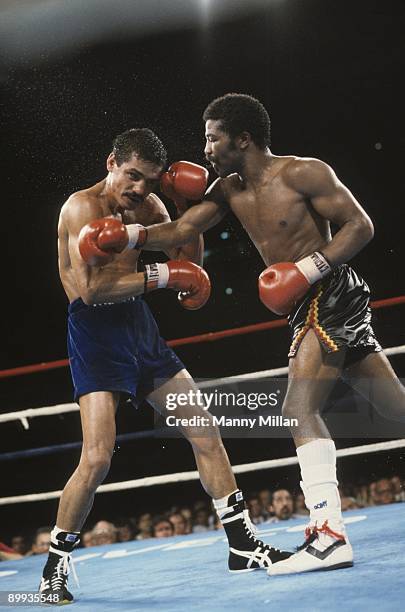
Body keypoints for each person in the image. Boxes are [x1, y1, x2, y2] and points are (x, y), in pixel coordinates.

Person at [132, 93, 405, 575]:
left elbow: (359, 226)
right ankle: (328, 533)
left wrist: (307, 268)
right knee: (394, 408)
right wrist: (127, 236)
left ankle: (329, 534)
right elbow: (179, 233)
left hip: (330, 290)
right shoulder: (226, 189)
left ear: (243, 138)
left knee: (299, 408)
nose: (206, 147)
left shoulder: (303, 173)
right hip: (303, 303)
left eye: (213, 137)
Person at [39, 127, 291, 604]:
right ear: (112, 161)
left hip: (139, 327)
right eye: (132, 176)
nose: (138, 189)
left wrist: (177, 210)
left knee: (205, 432)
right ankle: (55, 567)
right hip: (95, 334)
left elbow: (186, 260)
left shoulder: (150, 208)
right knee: (97, 457)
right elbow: (91, 292)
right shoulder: (80, 208)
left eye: (151, 181)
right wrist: (162, 274)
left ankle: (241, 544)